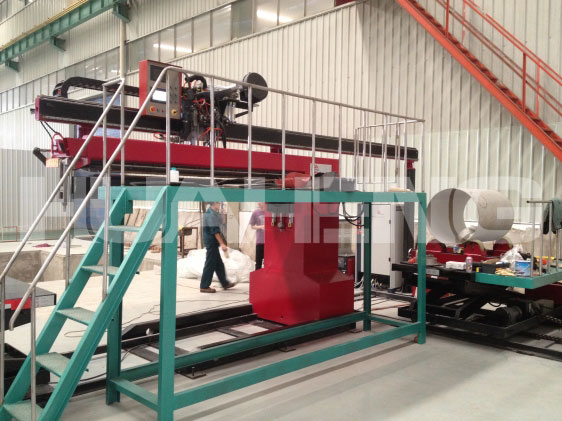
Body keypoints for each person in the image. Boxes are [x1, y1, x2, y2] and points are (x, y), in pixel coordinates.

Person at [200, 202, 236, 293]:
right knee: (210, 263)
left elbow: (222, 222)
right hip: (211, 241)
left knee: (218, 263)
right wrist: (222, 243)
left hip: (213, 242)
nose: (220, 205)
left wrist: (222, 214)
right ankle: (204, 286)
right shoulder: (210, 215)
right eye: (218, 203)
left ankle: (224, 283)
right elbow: (215, 231)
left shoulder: (214, 213)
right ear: (214, 203)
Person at [250, 202, 266, 270]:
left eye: (261, 202)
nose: (259, 203)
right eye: (258, 202)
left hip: (269, 242)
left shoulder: (270, 212)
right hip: (260, 241)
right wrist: (260, 227)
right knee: (258, 263)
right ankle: (258, 275)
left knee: (268, 263)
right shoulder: (255, 213)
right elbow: (252, 226)